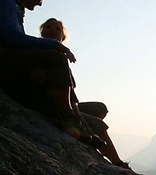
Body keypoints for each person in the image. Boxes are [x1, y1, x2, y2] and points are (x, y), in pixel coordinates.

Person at [0, 0, 106, 150]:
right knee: (56, 58)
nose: (40, 3)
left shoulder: (15, 8)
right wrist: (54, 45)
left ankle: (71, 121)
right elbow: (13, 38)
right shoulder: (7, 3)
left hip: (9, 62)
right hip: (5, 63)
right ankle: (67, 118)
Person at [40, 18, 131, 170]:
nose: (52, 30)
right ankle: (118, 163)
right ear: (42, 33)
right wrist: (75, 113)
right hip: (57, 105)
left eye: (57, 29)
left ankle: (85, 131)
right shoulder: (45, 53)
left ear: (63, 37)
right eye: (48, 27)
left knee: (100, 108)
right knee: (99, 125)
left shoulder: (58, 55)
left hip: (69, 103)